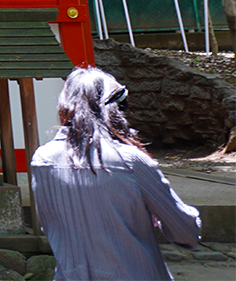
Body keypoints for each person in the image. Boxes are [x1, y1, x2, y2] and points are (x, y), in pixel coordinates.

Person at [30, 67, 201, 280]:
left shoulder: (42, 160)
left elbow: (52, 226)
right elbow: (186, 232)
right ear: (114, 109)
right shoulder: (129, 161)